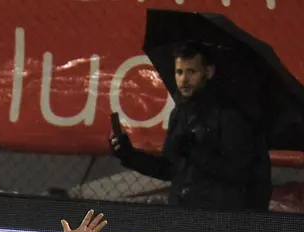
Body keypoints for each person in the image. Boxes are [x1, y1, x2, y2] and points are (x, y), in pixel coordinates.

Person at [110, 41, 269, 212]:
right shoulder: (180, 114)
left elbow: (240, 173)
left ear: (208, 72)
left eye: (191, 72)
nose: (183, 79)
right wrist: (129, 154)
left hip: (222, 219)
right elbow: (169, 168)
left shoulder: (230, 115)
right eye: (179, 72)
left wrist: (194, 152)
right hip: (183, 215)